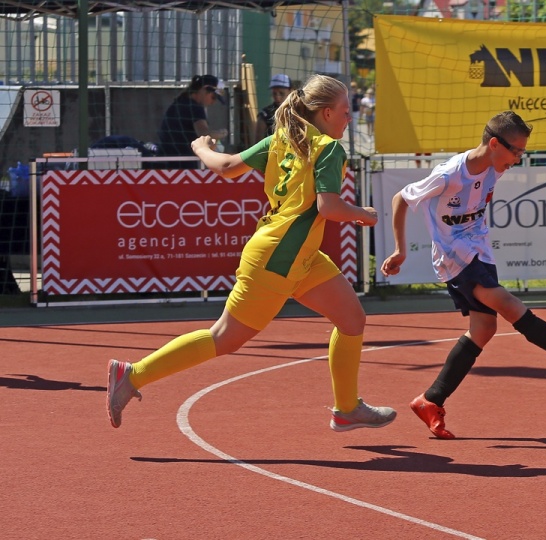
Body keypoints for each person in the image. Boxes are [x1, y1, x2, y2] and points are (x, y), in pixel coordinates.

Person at [107, 74, 396, 433]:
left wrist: (201, 148)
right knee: (224, 337)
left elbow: (226, 168)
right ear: (324, 113)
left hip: (296, 254)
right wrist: (361, 214)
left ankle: (347, 408)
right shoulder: (329, 148)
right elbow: (329, 208)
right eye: (344, 110)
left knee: (352, 320)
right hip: (279, 257)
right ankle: (132, 375)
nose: (349, 117)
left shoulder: (280, 140)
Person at [379, 111, 546, 439]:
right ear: (495, 143)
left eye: (522, 153)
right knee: (505, 302)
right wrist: (401, 250)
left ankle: (431, 400)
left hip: (480, 250)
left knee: (484, 328)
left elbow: (487, 181)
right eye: (516, 151)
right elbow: (401, 198)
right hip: (454, 255)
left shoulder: (494, 168)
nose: (518, 159)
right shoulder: (449, 174)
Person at [156, 74, 229, 168]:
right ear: (204, 89)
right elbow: (204, 134)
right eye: (213, 97)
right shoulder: (195, 107)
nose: (213, 102)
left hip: (165, 161)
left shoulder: (180, 102)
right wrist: (222, 133)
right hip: (183, 165)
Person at [255, 73, 292, 140]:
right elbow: (258, 141)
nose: (277, 97)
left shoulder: (298, 111)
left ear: (290, 91)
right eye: (274, 93)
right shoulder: (265, 114)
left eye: (281, 93)